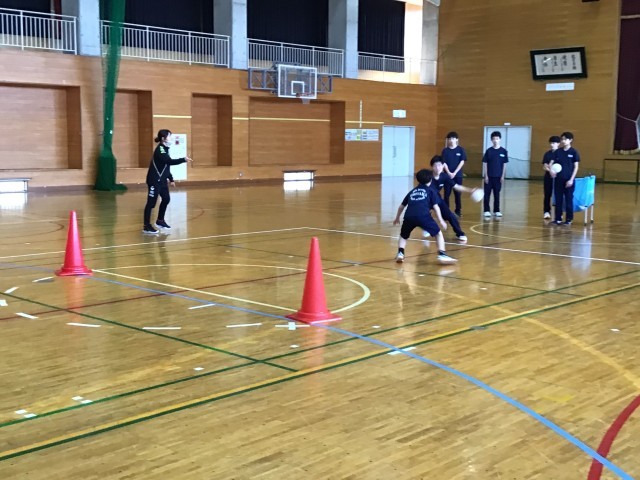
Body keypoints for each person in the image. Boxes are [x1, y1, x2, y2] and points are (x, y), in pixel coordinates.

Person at [392, 169, 457, 265]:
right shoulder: (431, 191)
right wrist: (441, 220)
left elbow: (401, 206)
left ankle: (400, 253)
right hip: (423, 216)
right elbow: (436, 207)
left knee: (403, 236)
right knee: (438, 233)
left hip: (409, 216)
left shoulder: (412, 191)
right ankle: (442, 254)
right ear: (430, 180)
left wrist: (397, 218)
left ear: (418, 180)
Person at [143, 129, 193, 234]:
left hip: (162, 181)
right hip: (154, 180)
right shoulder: (160, 149)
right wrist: (183, 159)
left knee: (166, 199)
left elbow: (165, 166)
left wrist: (171, 179)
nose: (171, 138)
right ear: (163, 138)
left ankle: (160, 221)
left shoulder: (166, 149)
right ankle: (146, 226)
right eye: (169, 136)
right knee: (151, 203)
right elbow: (168, 161)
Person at [427, 155, 482, 242]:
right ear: (432, 167)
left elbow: (456, 186)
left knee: (451, 216)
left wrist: (470, 190)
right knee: (423, 215)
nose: (437, 168)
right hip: (426, 199)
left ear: (443, 166)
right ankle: (426, 227)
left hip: (437, 199)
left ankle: (460, 234)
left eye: (439, 165)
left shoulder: (444, 176)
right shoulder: (427, 176)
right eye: (435, 166)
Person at [550, 131, 580, 225]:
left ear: (570, 140)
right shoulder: (558, 152)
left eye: (565, 139)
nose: (563, 141)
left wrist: (571, 180)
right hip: (558, 180)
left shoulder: (574, 152)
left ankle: (569, 219)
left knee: (568, 200)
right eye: (562, 139)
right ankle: (558, 218)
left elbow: (576, 167)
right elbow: (551, 163)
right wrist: (551, 170)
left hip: (568, 181)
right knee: (558, 200)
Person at [482, 131, 509, 217]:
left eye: (497, 139)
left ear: (500, 139)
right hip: (489, 177)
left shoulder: (504, 151)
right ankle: (486, 210)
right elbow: (485, 163)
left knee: (497, 194)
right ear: (491, 140)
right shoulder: (489, 151)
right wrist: (486, 175)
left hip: (498, 177)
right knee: (487, 194)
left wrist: (502, 176)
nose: (495, 140)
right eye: (494, 139)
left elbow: (504, 164)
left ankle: (497, 210)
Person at [441, 131, 467, 217]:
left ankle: (458, 211)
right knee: (446, 194)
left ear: (456, 139)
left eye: (453, 138)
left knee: (458, 194)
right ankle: (446, 211)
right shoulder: (445, 151)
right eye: (449, 139)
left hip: (458, 176)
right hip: (447, 176)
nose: (451, 140)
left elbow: (462, 162)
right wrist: (448, 172)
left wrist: (455, 173)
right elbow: (443, 162)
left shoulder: (461, 150)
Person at [541, 135, 561, 219]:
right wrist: (550, 171)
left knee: (558, 195)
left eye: (554, 143)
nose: (552, 145)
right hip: (548, 177)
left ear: (558, 144)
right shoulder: (547, 154)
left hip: (558, 178)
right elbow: (545, 166)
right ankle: (546, 212)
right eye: (551, 143)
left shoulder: (561, 154)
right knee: (547, 194)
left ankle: (559, 212)